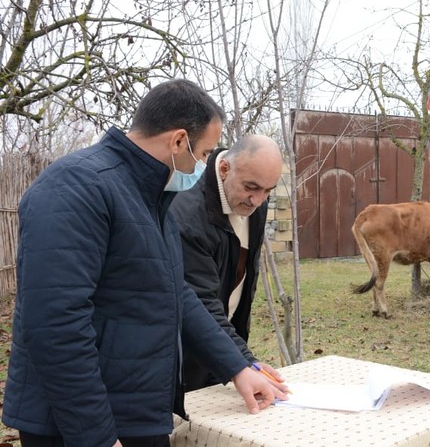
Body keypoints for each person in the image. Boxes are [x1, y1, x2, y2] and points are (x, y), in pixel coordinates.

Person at [2, 80, 287, 447]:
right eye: (204, 153)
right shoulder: (75, 187)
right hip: (76, 424)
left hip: (135, 409)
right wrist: (97, 437)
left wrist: (237, 367)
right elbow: (57, 325)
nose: (205, 164)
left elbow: (176, 293)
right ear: (178, 141)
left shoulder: (150, 195)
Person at [170, 134, 284, 391]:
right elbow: (200, 302)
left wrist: (241, 358)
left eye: (268, 191)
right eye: (251, 188)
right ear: (224, 170)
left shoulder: (254, 201)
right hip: (185, 352)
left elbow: (243, 276)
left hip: (225, 341)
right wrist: (243, 362)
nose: (258, 200)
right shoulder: (187, 214)